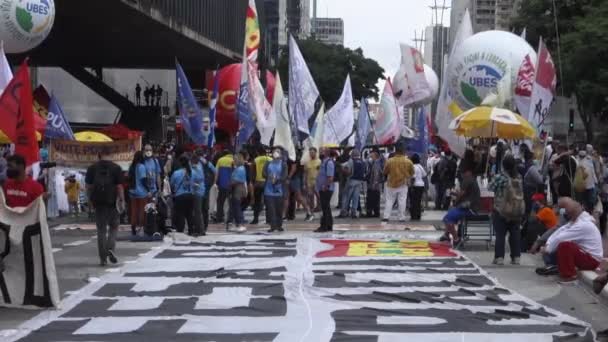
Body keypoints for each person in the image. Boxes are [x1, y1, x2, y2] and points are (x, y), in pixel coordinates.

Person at [538, 197, 603, 283]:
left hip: (592, 260)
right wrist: (548, 244)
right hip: (584, 254)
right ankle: (556, 267)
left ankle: (570, 276)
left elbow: (560, 238)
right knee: (556, 247)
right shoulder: (576, 220)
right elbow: (559, 231)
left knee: (564, 245)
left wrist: (547, 249)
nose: (564, 213)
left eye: (566, 210)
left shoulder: (583, 224)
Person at [85, 152, 125, 266]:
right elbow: (119, 187)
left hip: (98, 204)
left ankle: (103, 259)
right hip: (112, 203)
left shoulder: (92, 168)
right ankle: (110, 248)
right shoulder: (116, 168)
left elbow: (88, 187)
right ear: (111, 155)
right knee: (114, 227)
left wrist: (90, 201)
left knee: (101, 230)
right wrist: (122, 200)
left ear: (99, 156)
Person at [490, 155, 524, 265]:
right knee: (515, 234)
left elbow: (490, 187)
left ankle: (499, 257)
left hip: (501, 210)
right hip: (516, 209)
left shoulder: (500, 177)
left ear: (503, 165)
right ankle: (516, 257)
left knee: (500, 234)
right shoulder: (519, 177)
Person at [439, 167, 481, 245]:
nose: (461, 173)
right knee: (451, 212)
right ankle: (446, 234)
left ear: (469, 172)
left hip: (469, 209)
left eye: (463, 171)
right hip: (470, 208)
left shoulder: (467, 180)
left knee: (447, 219)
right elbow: (463, 194)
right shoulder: (472, 180)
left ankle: (456, 239)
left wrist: (454, 200)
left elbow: (460, 195)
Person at [382, 144, 414, 224]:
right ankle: (401, 217)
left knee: (389, 201)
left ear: (395, 151)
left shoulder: (389, 161)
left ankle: (386, 216)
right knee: (402, 201)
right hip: (403, 183)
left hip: (391, 183)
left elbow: (385, 172)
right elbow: (412, 173)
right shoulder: (408, 161)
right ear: (403, 151)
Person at [264, 148, 288, 233]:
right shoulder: (268, 163)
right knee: (271, 209)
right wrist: (270, 177)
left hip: (279, 190)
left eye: (278, 152)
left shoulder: (283, 164)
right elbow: (264, 173)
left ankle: (279, 225)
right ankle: (272, 226)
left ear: (281, 154)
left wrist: (277, 180)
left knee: (279, 209)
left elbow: (285, 176)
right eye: (274, 151)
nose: (276, 153)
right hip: (268, 189)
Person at [286, 150, 313, 221]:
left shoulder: (293, 158)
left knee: (298, 197)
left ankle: (309, 213)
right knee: (289, 197)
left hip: (294, 178)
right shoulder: (295, 157)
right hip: (294, 178)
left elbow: (293, 168)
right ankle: (287, 215)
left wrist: (288, 177)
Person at [127, 151, 150, 236]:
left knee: (134, 211)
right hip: (141, 192)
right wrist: (148, 190)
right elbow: (143, 180)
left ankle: (133, 227)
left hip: (132, 192)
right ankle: (141, 227)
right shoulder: (142, 167)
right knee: (141, 211)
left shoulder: (132, 167)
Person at [170, 155, 194, 233]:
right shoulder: (191, 172)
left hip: (179, 196)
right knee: (189, 214)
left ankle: (180, 230)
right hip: (190, 195)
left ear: (180, 163)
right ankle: (191, 230)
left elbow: (172, 184)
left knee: (180, 214)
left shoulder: (176, 173)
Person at [315, 148, 336, 233]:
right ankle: (328, 225)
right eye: (320, 151)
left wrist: (326, 186)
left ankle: (324, 226)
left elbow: (330, 177)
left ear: (327, 153)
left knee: (325, 207)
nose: (320, 153)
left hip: (326, 189)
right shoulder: (323, 162)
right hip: (322, 188)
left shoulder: (329, 162)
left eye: (322, 152)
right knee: (326, 208)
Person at [251, 146, 271, 224]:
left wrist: (253, 181)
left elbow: (252, 171)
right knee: (268, 202)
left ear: (258, 152)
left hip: (258, 183)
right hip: (267, 183)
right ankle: (268, 219)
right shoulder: (270, 159)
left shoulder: (256, 160)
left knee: (257, 202)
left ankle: (255, 219)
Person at [229, 153, 248, 233]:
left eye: (235, 159)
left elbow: (237, 180)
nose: (234, 160)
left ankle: (241, 224)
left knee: (237, 207)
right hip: (236, 188)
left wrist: (230, 183)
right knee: (234, 206)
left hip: (238, 189)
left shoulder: (240, 169)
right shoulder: (237, 168)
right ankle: (237, 223)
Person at [214, 151, 234, 223]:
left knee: (220, 202)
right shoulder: (233, 160)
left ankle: (219, 218)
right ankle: (230, 219)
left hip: (222, 184)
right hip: (231, 185)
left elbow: (216, 172)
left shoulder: (220, 160)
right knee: (231, 202)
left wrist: (215, 182)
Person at [190, 152, 206, 237]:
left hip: (197, 192)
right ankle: (200, 229)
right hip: (201, 191)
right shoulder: (199, 166)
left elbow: (193, 181)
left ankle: (199, 230)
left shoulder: (195, 169)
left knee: (197, 212)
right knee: (198, 212)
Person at [366, 149, 383, 218]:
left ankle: (372, 213)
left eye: (372, 155)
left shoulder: (376, 163)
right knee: (375, 199)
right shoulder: (374, 162)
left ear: (375, 156)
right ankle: (375, 212)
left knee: (372, 199)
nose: (370, 156)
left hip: (374, 185)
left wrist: (374, 184)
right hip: (375, 185)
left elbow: (376, 174)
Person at [410, 154, 427, 221]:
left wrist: (411, 186)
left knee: (414, 201)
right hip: (421, 185)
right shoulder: (420, 166)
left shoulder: (413, 167)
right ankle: (418, 215)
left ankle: (414, 215)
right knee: (418, 201)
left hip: (415, 186)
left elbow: (413, 178)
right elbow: (424, 175)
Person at [304, 147, 321, 212]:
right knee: (310, 196)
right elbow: (305, 173)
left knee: (318, 195)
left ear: (316, 153)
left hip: (317, 181)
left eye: (313, 152)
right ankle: (311, 208)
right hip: (309, 181)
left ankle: (319, 207)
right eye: (310, 153)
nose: (311, 154)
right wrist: (305, 182)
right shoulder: (307, 162)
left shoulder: (319, 161)